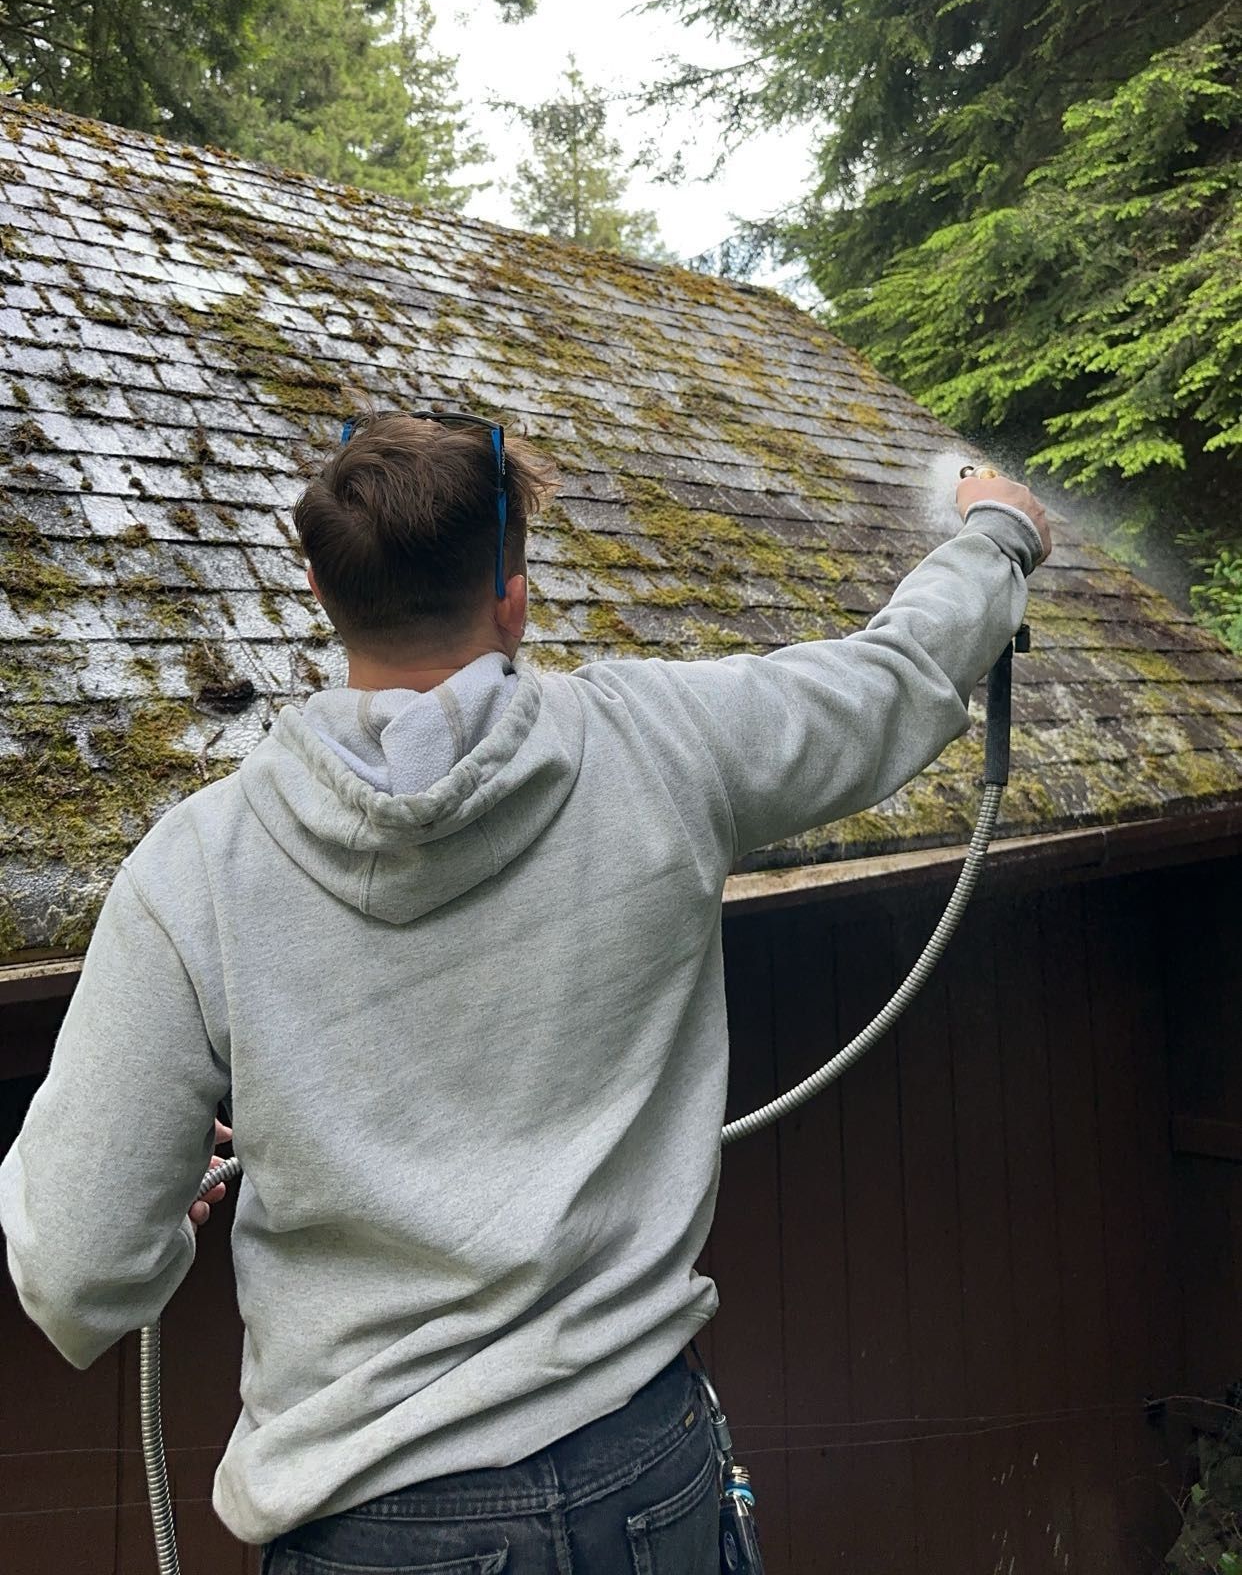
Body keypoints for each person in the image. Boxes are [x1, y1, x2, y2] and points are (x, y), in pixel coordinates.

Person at [0, 410, 1050, 1573]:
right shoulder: (665, 742)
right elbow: (892, 676)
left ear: (315, 585)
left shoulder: (192, 871)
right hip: (646, 1474)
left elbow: (80, 1274)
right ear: (515, 591)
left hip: (371, 1525)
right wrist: (994, 534)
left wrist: (152, 1214)